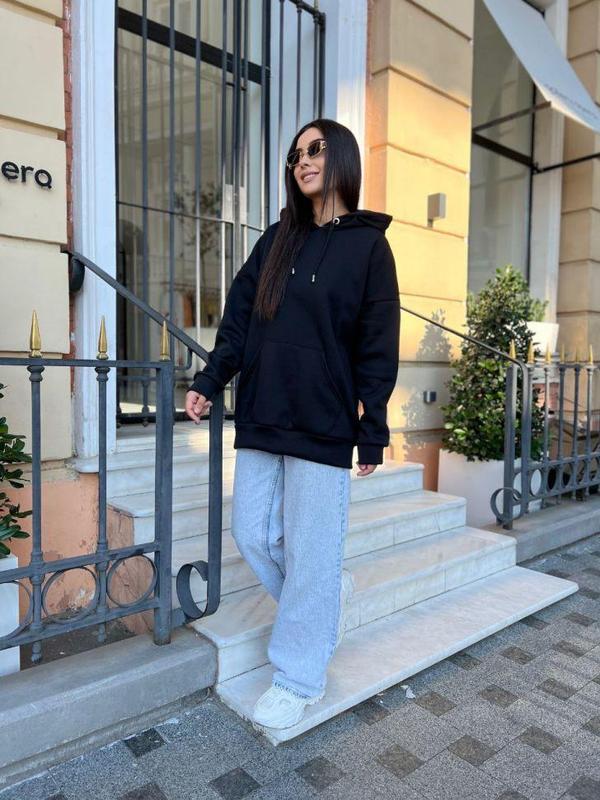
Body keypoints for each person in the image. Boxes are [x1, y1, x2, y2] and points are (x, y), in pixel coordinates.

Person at [185, 118, 400, 729]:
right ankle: (324, 597)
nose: (303, 160)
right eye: (296, 154)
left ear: (342, 158)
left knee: (311, 548)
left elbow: (377, 345)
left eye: (316, 150)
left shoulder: (369, 248)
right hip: (264, 409)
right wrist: (210, 379)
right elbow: (239, 319)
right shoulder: (278, 239)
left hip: (325, 420)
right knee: (253, 532)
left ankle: (298, 676)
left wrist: (373, 428)